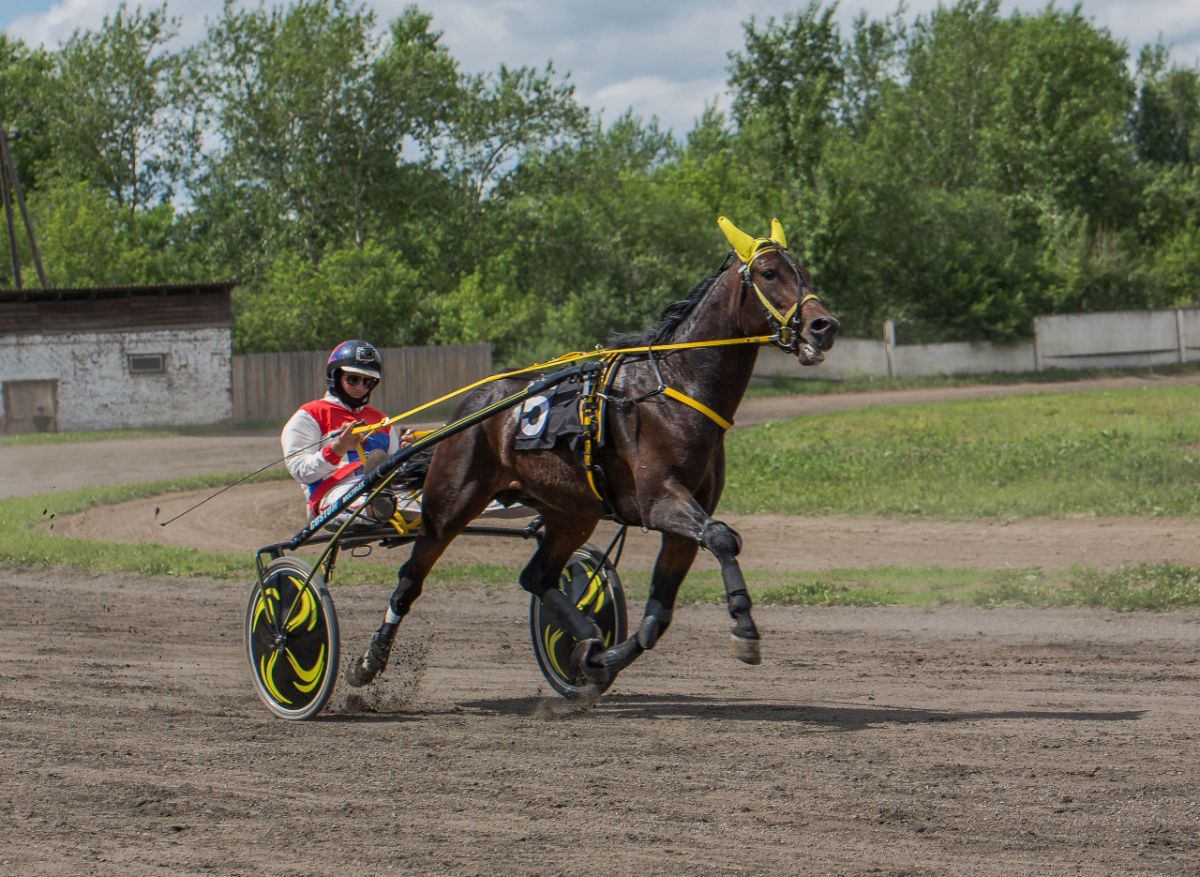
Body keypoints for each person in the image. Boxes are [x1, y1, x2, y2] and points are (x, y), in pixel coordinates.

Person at [281, 340, 411, 525]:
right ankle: (376, 504)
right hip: (333, 492)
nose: (360, 387)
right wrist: (337, 449)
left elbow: (395, 471)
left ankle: (380, 499)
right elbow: (301, 471)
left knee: (434, 503)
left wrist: (407, 454)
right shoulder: (310, 415)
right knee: (371, 502)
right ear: (335, 375)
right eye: (353, 379)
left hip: (386, 490)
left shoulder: (382, 421)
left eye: (368, 382)